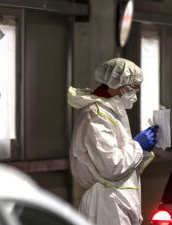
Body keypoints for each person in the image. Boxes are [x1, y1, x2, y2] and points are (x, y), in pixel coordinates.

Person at [68, 58, 158, 225]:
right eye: (131, 90)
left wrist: (144, 149)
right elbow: (112, 166)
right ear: (116, 87)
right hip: (106, 205)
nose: (135, 97)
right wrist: (138, 145)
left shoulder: (114, 114)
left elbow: (128, 167)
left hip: (119, 201)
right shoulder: (95, 116)